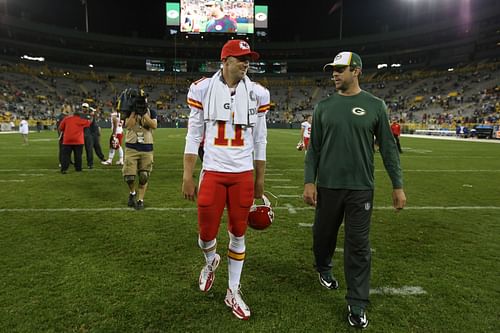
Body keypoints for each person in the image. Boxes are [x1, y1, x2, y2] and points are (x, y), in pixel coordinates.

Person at [303, 51, 406, 329]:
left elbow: (388, 148)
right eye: (333, 69)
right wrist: (309, 181)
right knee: (322, 236)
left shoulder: (375, 105)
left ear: (356, 71)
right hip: (329, 186)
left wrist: (398, 186)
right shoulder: (323, 107)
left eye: (340, 69)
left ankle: (357, 303)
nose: (334, 74)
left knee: (358, 246)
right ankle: (323, 267)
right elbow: (314, 149)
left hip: (361, 189)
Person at [182, 39, 270, 320]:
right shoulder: (202, 88)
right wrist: (188, 174)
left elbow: (261, 140)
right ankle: (210, 262)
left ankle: (233, 289)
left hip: (242, 174)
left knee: (238, 233)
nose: (246, 63)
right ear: (225, 61)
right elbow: (194, 134)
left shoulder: (258, 93)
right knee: (206, 234)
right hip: (213, 172)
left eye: (248, 59)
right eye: (240, 58)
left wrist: (259, 181)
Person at [119, 88, 157, 210]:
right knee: (129, 177)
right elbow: (128, 126)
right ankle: (132, 193)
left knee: (144, 176)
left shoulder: (151, 111)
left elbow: (153, 125)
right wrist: (134, 112)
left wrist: (144, 112)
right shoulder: (129, 112)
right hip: (132, 147)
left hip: (147, 147)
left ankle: (140, 200)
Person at [59, 109, 91, 174]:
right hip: (78, 141)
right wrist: (91, 116)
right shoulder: (81, 120)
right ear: (79, 116)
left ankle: (64, 169)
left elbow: (61, 128)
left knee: (66, 156)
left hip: (67, 140)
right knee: (78, 156)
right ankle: (78, 169)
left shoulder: (66, 119)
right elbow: (89, 123)